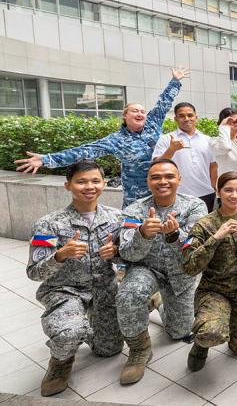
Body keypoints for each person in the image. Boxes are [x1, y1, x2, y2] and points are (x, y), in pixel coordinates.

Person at [15, 69, 189, 207]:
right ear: (125, 116)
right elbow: (83, 151)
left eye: (142, 111)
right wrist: (46, 160)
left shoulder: (152, 124)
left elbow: (164, 103)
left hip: (162, 189)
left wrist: (175, 81)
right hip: (137, 197)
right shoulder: (116, 140)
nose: (140, 113)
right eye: (135, 111)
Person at [26, 160, 124, 396]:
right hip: (64, 290)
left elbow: (130, 256)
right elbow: (34, 272)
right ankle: (60, 361)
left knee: (109, 349)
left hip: (103, 288)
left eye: (95, 181)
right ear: (67, 185)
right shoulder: (48, 224)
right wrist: (60, 255)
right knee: (69, 332)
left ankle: (83, 327)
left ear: (104, 184)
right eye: (81, 181)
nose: (89, 186)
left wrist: (117, 252)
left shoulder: (117, 218)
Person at [116, 159, 207, 384]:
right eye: (155, 177)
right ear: (148, 181)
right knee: (129, 294)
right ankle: (139, 350)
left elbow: (198, 248)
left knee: (179, 332)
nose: (162, 181)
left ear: (179, 179)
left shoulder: (195, 206)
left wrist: (176, 236)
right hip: (146, 269)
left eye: (168, 176)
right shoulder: (134, 210)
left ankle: (158, 302)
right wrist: (143, 234)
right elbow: (128, 253)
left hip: (180, 273)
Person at [181, 172, 237, 371]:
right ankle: (200, 344)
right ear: (218, 192)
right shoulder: (205, 224)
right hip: (216, 290)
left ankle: (228, 323)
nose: (234, 195)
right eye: (228, 190)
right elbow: (189, 266)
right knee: (212, 332)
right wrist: (216, 238)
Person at [152, 102, 217, 213]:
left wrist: (214, 187)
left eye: (190, 115)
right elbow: (156, 164)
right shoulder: (166, 139)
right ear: (175, 119)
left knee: (204, 228)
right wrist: (171, 150)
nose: (186, 119)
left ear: (196, 118)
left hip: (206, 193)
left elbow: (213, 165)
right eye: (182, 116)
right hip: (177, 194)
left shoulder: (207, 140)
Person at [210, 108, 237, 208]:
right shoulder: (214, 141)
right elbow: (226, 147)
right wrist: (223, 127)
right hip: (229, 190)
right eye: (232, 122)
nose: (236, 124)